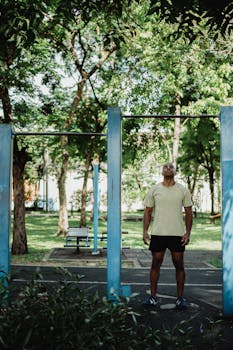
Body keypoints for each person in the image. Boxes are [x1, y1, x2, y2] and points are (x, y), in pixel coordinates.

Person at [142, 162, 193, 310]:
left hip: (177, 234)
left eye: (171, 167)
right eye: (165, 167)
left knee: (179, 265)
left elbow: (189, 213)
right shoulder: (154, 189)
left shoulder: (182, 190)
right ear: (162, 171)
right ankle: (153, 297)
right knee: (155, 263)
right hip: (158, 234)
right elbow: (147, 212)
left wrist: (188, 233)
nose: (168, 168)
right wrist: (145, 231)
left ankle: (180, 299)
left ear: (175, 172)